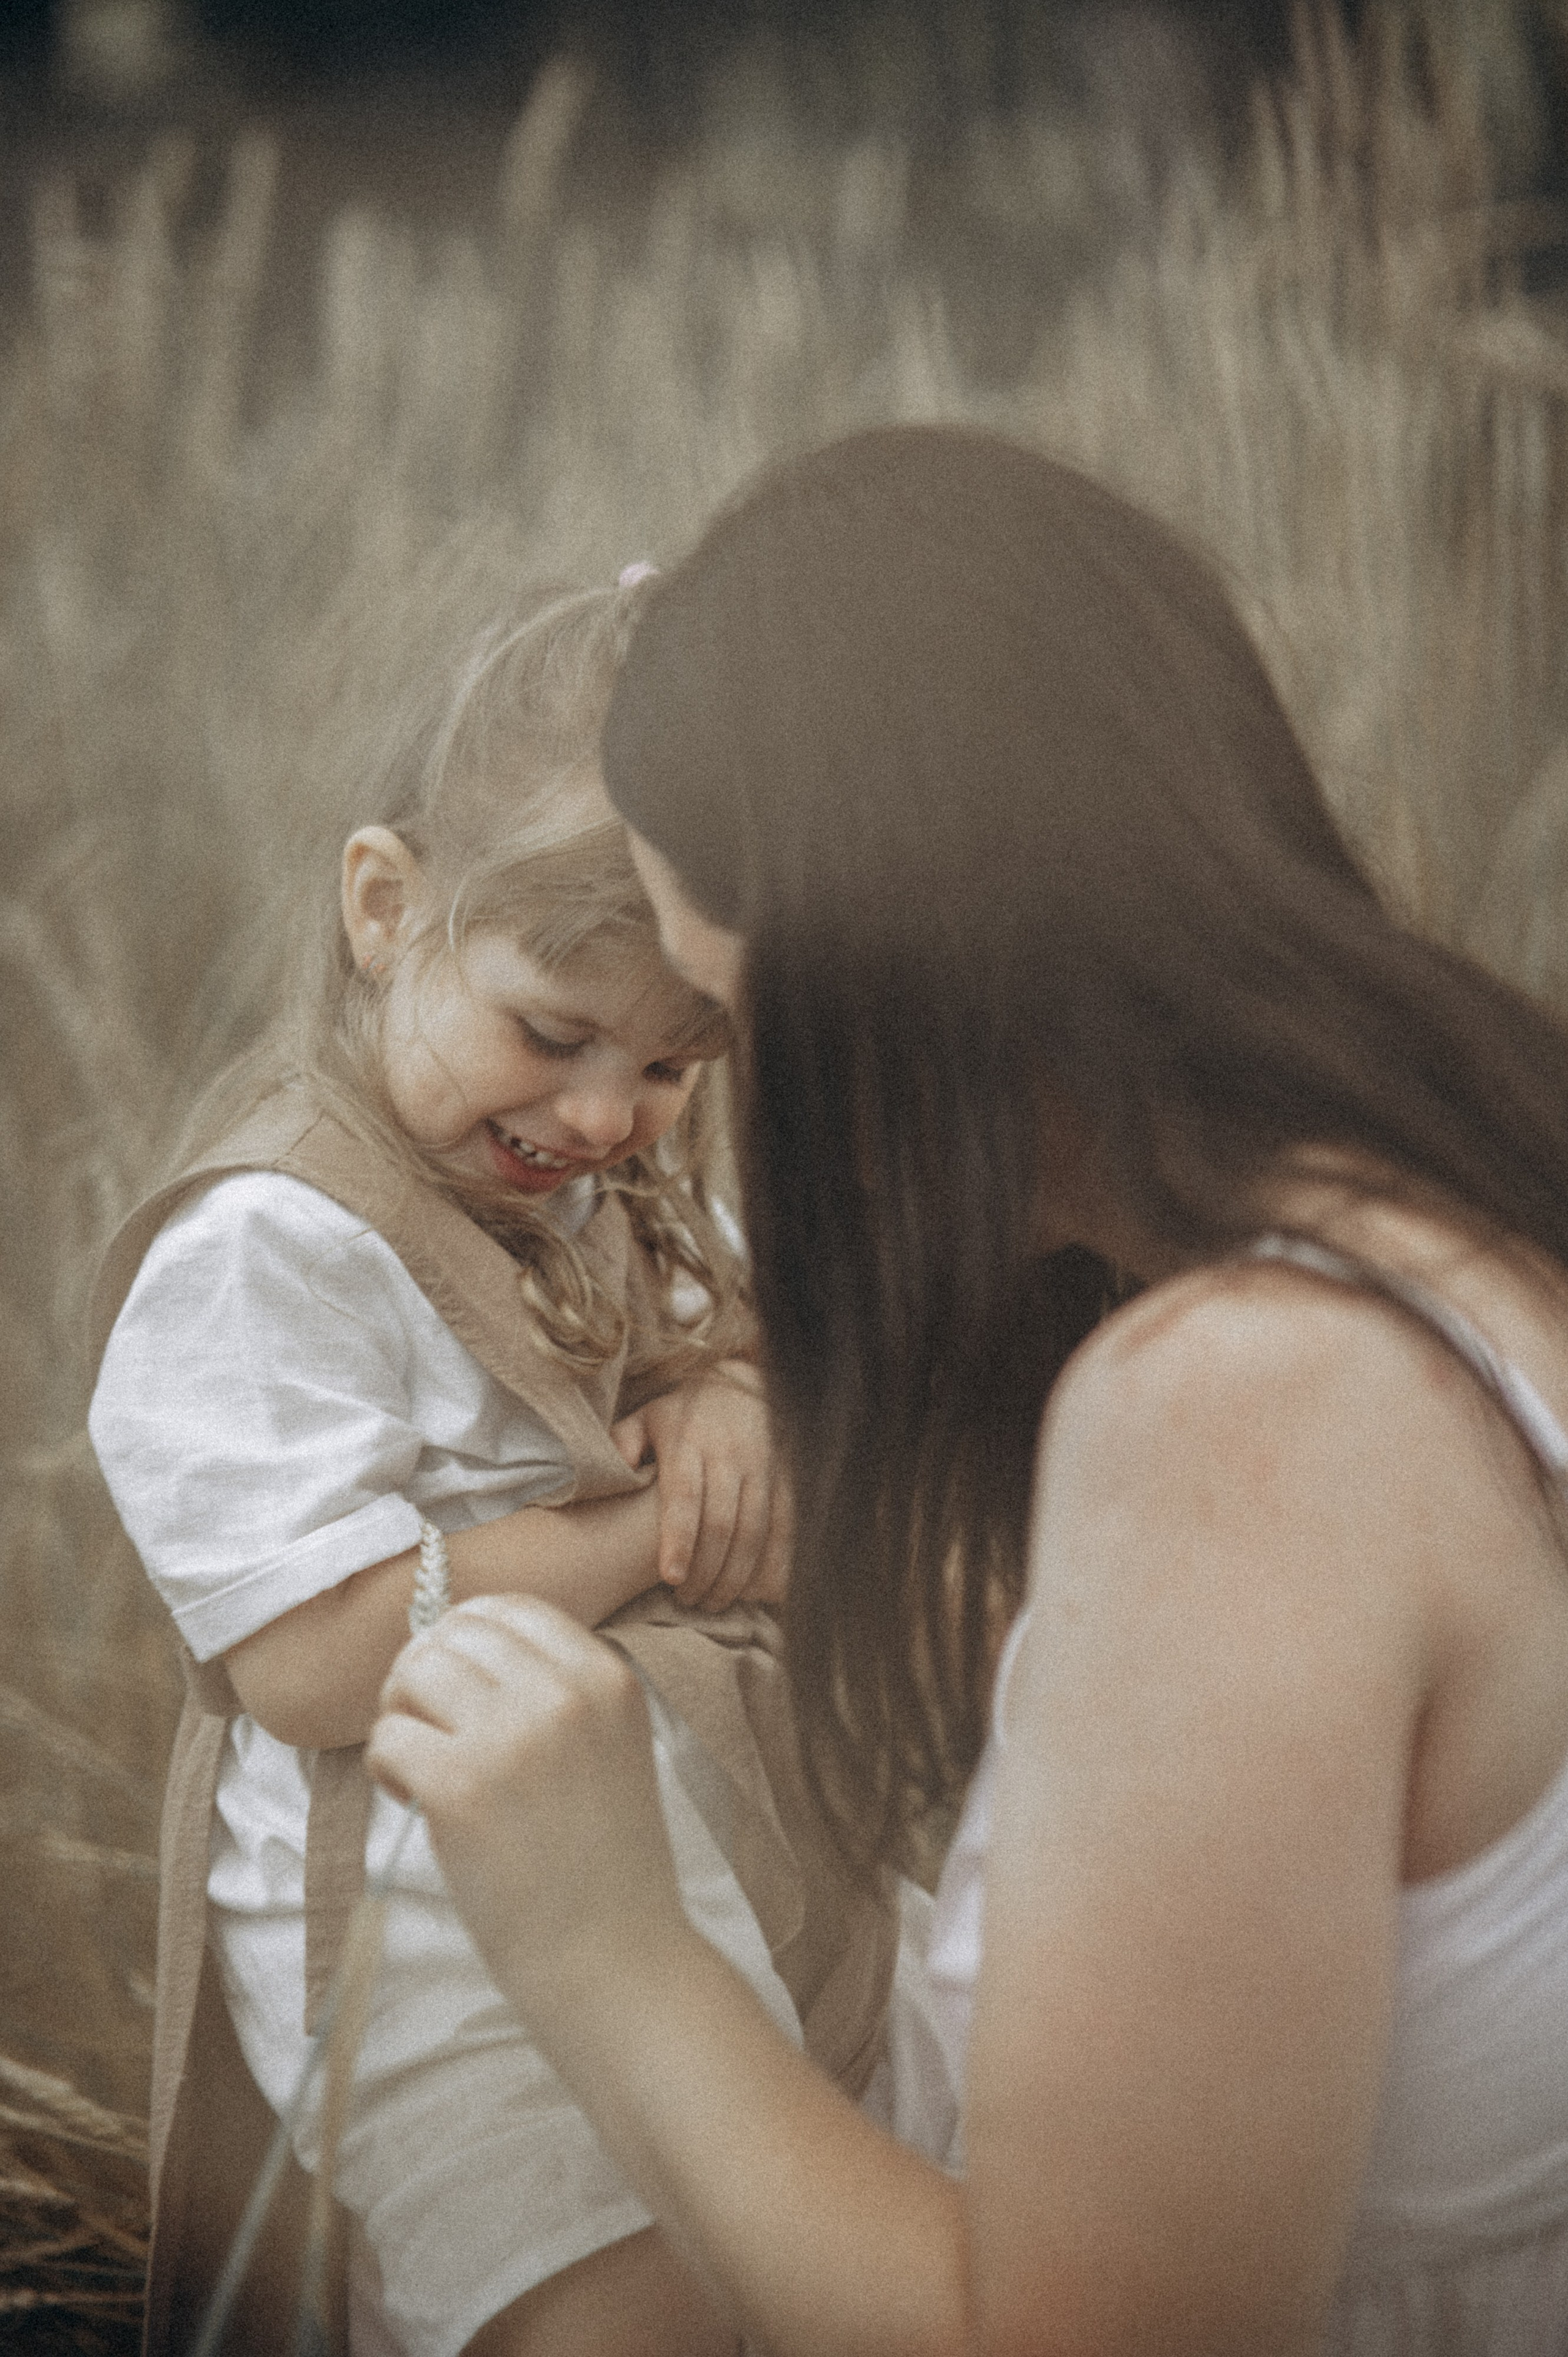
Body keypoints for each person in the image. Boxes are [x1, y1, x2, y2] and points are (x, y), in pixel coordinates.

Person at [368, 426, 1568, 2357]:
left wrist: (607, 1952)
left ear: (899, 988)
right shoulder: (1486, 1186)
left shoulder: (1237, 1416)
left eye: (743, 1025)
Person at [87, 578, 897, 2357]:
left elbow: (747, 1322)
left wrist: (738, 1407)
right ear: (387, 908)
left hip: (674, 1854)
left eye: (675, 1066)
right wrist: (634, 1534)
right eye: (553, 1034)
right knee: (609, 2304)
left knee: (784, 2236)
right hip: (425, 1919)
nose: (609, 1115)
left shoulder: (595, 1188)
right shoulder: (270, 1253)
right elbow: (307, 1654)